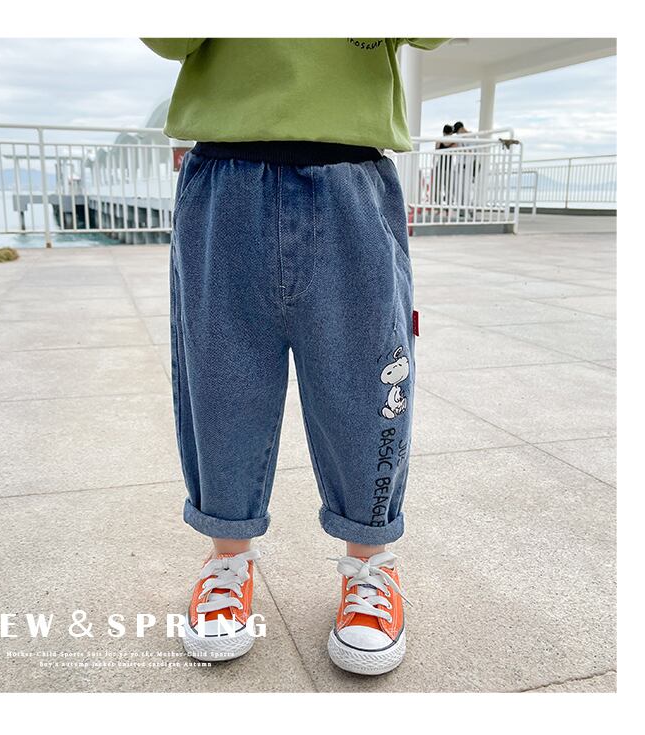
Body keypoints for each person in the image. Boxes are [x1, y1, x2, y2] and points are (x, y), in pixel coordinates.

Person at [141, 37, 449, 676]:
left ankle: (371, 566)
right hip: (225, 173)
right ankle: (227, 559)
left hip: (352, 173)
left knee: (369, 390)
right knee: (221, 385)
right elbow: (168, 36)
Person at [433, 123, 455, 206]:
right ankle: (439, 204)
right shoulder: (440, 141)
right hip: (440, 166)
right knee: (438, 186)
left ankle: (447, 204)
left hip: (448, 167)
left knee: (448, 187)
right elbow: (436, 151)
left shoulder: (453, 142)